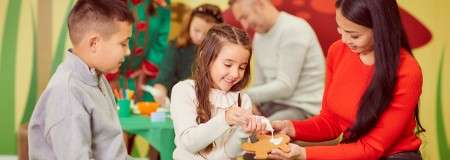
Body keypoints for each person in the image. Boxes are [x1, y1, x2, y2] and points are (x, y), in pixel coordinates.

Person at [268, 0, 425, 159]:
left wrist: (303, 153)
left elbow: (371, 148)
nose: (344, 40)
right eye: (340, 29)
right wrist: (292, 128)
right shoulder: (338, 51)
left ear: (380, 29)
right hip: (353, 150)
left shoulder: (407, 71)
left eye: (354, 35)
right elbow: (331, 121)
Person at [27, 0, 134, 159]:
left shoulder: (98, 78)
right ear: (94, 43)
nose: (128, 52)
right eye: (123, 44)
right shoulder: (67, 93)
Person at [170, 24, 266, 159]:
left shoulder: (242, 100)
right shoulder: (184, 90)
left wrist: (244, 132)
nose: (235, 74)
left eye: (242, 67)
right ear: (206, 57)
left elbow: (230, 153)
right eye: (228, 64)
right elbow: (188, 143)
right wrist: (225, 119)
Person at [229, 0, 325, 121]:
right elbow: (260, 84)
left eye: (245, 17)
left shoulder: (293, 29)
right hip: (273, 105)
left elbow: (285, 87)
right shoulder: (258, 38)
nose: (245, 25)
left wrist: (244, 96)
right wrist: (251, 103)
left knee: (262, 132)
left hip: (302, 108)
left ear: (260, 4)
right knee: (236, 125)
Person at [152, 4, 224, 106]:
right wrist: (160, 90)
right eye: (196, 30)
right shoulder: (176, 47)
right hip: (178, 104)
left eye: (207, 34)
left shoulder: (221, 53)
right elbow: (164, 77)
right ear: (189, 24)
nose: (200, 37)